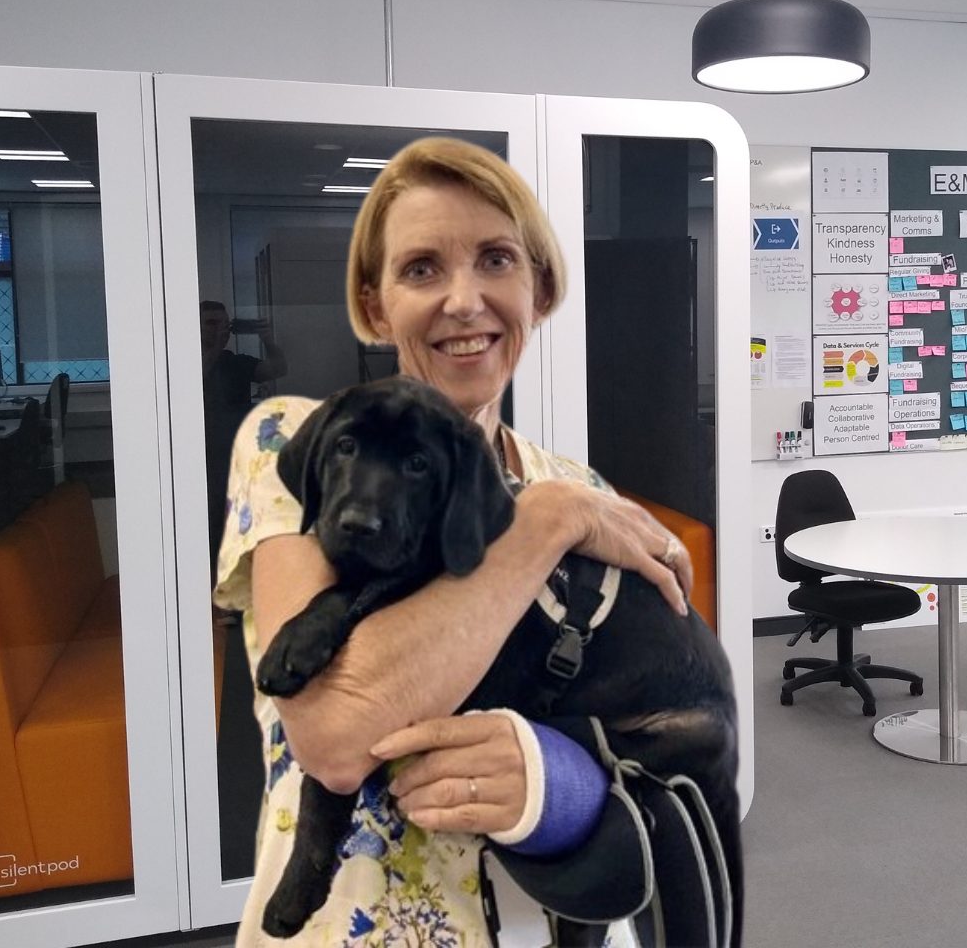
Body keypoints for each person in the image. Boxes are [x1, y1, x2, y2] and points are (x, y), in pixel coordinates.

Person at [214, 138, 693, 946]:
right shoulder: (300, 441)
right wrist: (544, 525)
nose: (465, 300)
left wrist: (556, 780)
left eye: (497, 260)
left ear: (538, 290)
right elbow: (337, 739)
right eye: (422, 269)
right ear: (374, 305)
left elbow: (649, 738)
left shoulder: (579, 488)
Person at [201, 301, 287, 575]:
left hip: (235, 458)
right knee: (209, 524)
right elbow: (197, 379)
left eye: (223, 324)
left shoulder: (234, 362)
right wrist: (212, 347)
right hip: (203, 460)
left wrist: (268, 339)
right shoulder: (184, 362)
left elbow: (278, 369)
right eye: (210, 324)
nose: (219, 330)